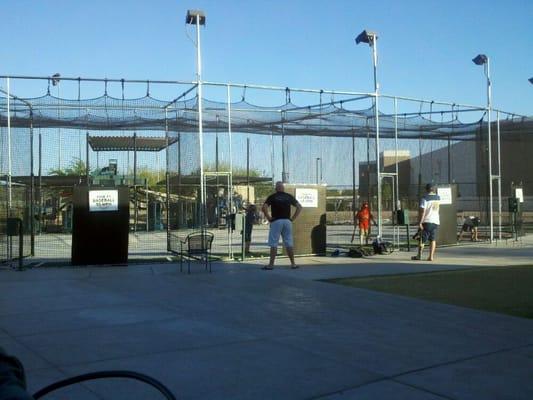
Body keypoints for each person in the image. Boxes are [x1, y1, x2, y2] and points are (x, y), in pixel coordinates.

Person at [261, 181, 302, 269]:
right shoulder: (289, 196)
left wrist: (269, 218)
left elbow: (264, 207)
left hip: (276, 221)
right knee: (288, 243)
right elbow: (299, 207)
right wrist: (292, 219)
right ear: (283, 188)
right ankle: (293, 264)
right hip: (287, 221)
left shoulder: (272, 196)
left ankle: (271, 265)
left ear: (276, 188)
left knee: (274, 243)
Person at [412, 183, 440, 261]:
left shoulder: (424, 198)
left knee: (421, 239)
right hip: (435, 221)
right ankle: (431, 256)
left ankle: (419, 255)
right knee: (432, 239)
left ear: (426, 189)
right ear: (434, 189)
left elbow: (422, 211)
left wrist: (420, 222)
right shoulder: (438, 197)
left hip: (427, 221)